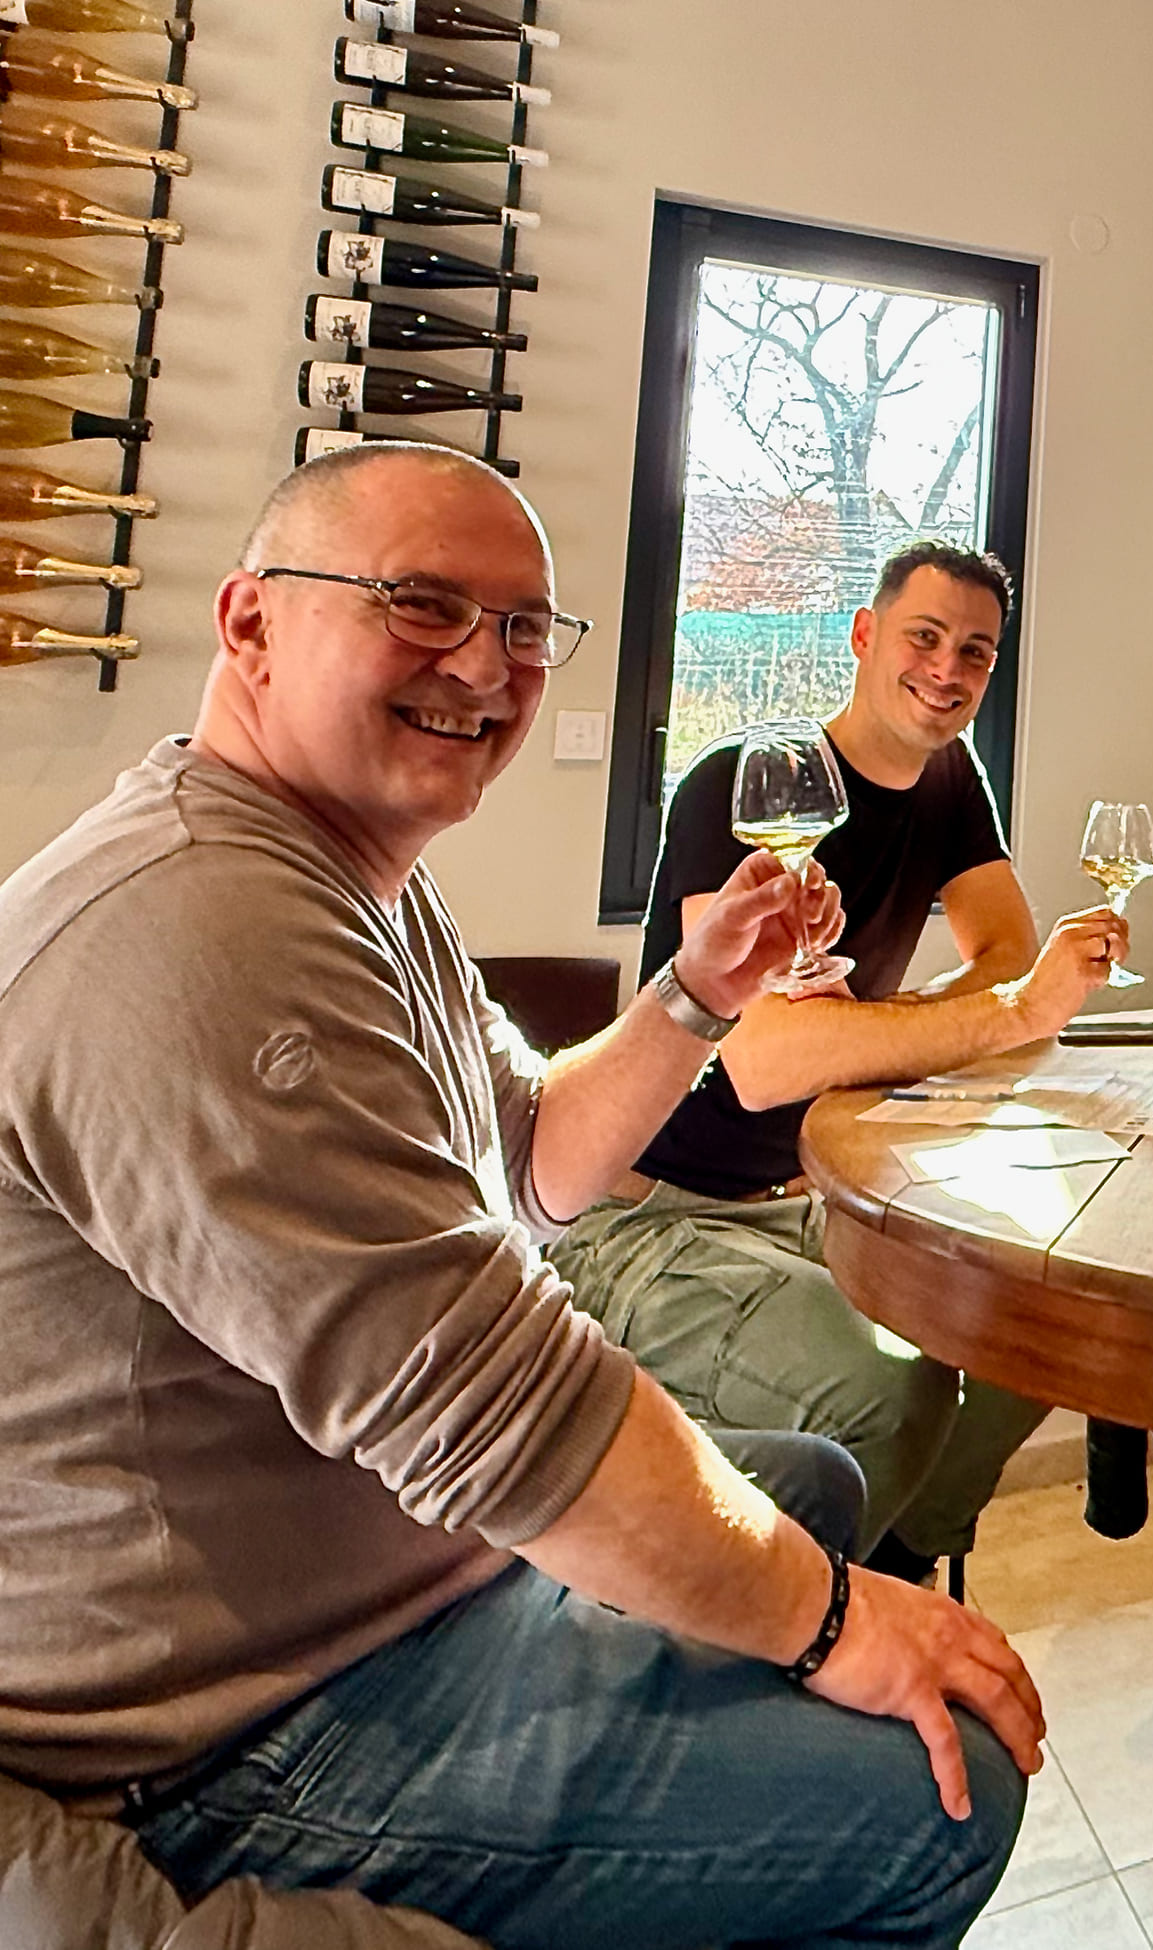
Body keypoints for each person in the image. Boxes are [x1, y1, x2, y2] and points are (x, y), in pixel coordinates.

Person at [0, 444, 1041, 1950]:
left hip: (378, 1561)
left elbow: (533, 1154)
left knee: (812, 1474)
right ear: (251, 626)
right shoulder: (204, 928)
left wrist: (690, 991)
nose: (485, 665)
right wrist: (833, 1621)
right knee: (946, 1797)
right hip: (233, 1714)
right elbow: (496, 1405)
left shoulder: (356, 880)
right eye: (422, 604)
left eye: (524, 628)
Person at [548, 540, 1129, 1588]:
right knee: (896, 1394)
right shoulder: (741, 784)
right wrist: (1001, 1008)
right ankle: (803, 1639)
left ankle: (891, 1571)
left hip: (808, 1191)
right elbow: (768, 1063)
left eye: (975, 653)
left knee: (1039, 1327)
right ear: (864, 637)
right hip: (646, 1215)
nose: (947, 670)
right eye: (923, 637)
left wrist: (893, 1019)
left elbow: (1007, 961)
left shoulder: (950, 779)